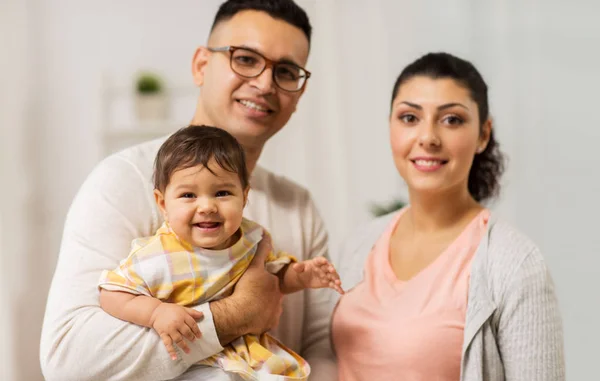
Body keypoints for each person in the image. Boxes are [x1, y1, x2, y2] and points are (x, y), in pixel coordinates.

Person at [39, 1, 338, 380]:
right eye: (245, 59)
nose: (264, 83)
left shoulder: (298, 206)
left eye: (286, 71)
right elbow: (68, 361)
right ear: (201, 65)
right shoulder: (122, 180)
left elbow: (322, 347)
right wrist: (239, 314)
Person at [331, 52, 565, 381]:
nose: (427, 137)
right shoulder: (357, 246)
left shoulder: (515, 263)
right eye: (409, 118)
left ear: (484, 134)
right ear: (390, 127)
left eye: (451, 119)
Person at [98, 125, 343, 381]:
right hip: (192, 365)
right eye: (188, 195)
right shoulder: (157, 256)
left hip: (249, 361)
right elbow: (111, 293)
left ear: (244, 197)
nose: (207, 206)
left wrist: (299, 277)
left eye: (222, 193)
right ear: (163, 204)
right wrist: (156, 313)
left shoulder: (250, 239)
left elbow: (271, 279)